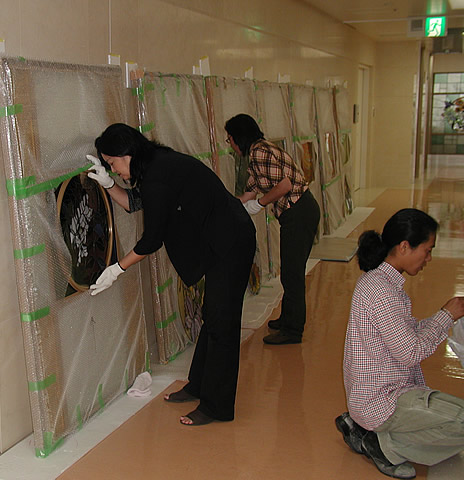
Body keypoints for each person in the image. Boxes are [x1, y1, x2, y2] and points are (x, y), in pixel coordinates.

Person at [86, 123, 256, 426]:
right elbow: (136, 203)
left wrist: (117, 268)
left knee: (223, 323)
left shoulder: (158, 174)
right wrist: (109, 184)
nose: (114, 170)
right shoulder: (154, 164)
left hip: (231, 242)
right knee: (213, 316)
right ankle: (198, 386)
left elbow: (151, 240)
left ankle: (217, 407)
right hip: (218, 239)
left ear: (126, 153)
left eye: (112, 164)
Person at [336, 208, 464, 479]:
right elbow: (411, 352)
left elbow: (407, 334)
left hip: (382, 394)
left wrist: (444, 317)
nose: (429, 258)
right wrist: (446, 315)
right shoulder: (382, 292)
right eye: (427, 250)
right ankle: (384, 445)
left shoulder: (382, 282)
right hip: (382, 401)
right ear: (404, 247)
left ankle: (364, 431)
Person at [224, 114, 320, 345]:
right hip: (297, 213)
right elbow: (249, 193)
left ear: (238, 137)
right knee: (290, 269)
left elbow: (284, 185)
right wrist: (228, 206)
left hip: (299, 212)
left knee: (292, 273)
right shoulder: (257, 154)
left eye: (230, 139)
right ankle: (287, 318)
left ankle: (293, 330)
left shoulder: (260, 152)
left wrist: (260, 204)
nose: (230, 144)